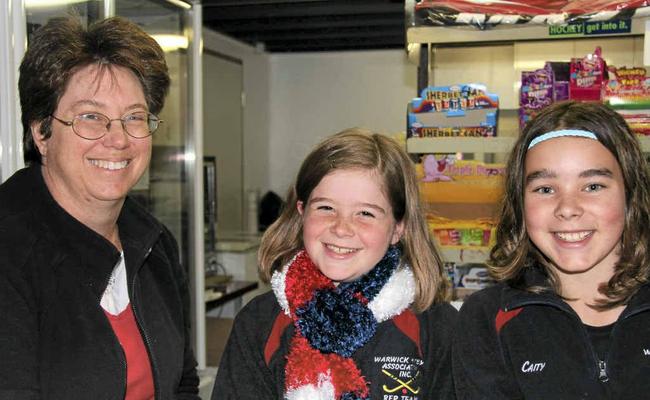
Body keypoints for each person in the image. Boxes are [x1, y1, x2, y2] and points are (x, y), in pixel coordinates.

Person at [0, 17, 199, 399]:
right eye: (91, 117)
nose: (118, 139)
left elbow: (183, 385)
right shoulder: (9, 252)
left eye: (134, 117)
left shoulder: (154, 243)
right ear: (41, 131)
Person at [212, 128, 457, 399]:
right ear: (302, 212)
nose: (341, 228)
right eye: (326, 208)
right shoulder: (259, 323)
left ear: (398, 228)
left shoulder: (437, 327)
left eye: (365, 213)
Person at [452, 101, 650, 399]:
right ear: (519, 204)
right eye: (545, 189)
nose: (567, 209)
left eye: (593, 186)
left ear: (630, 194)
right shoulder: (486, 319)